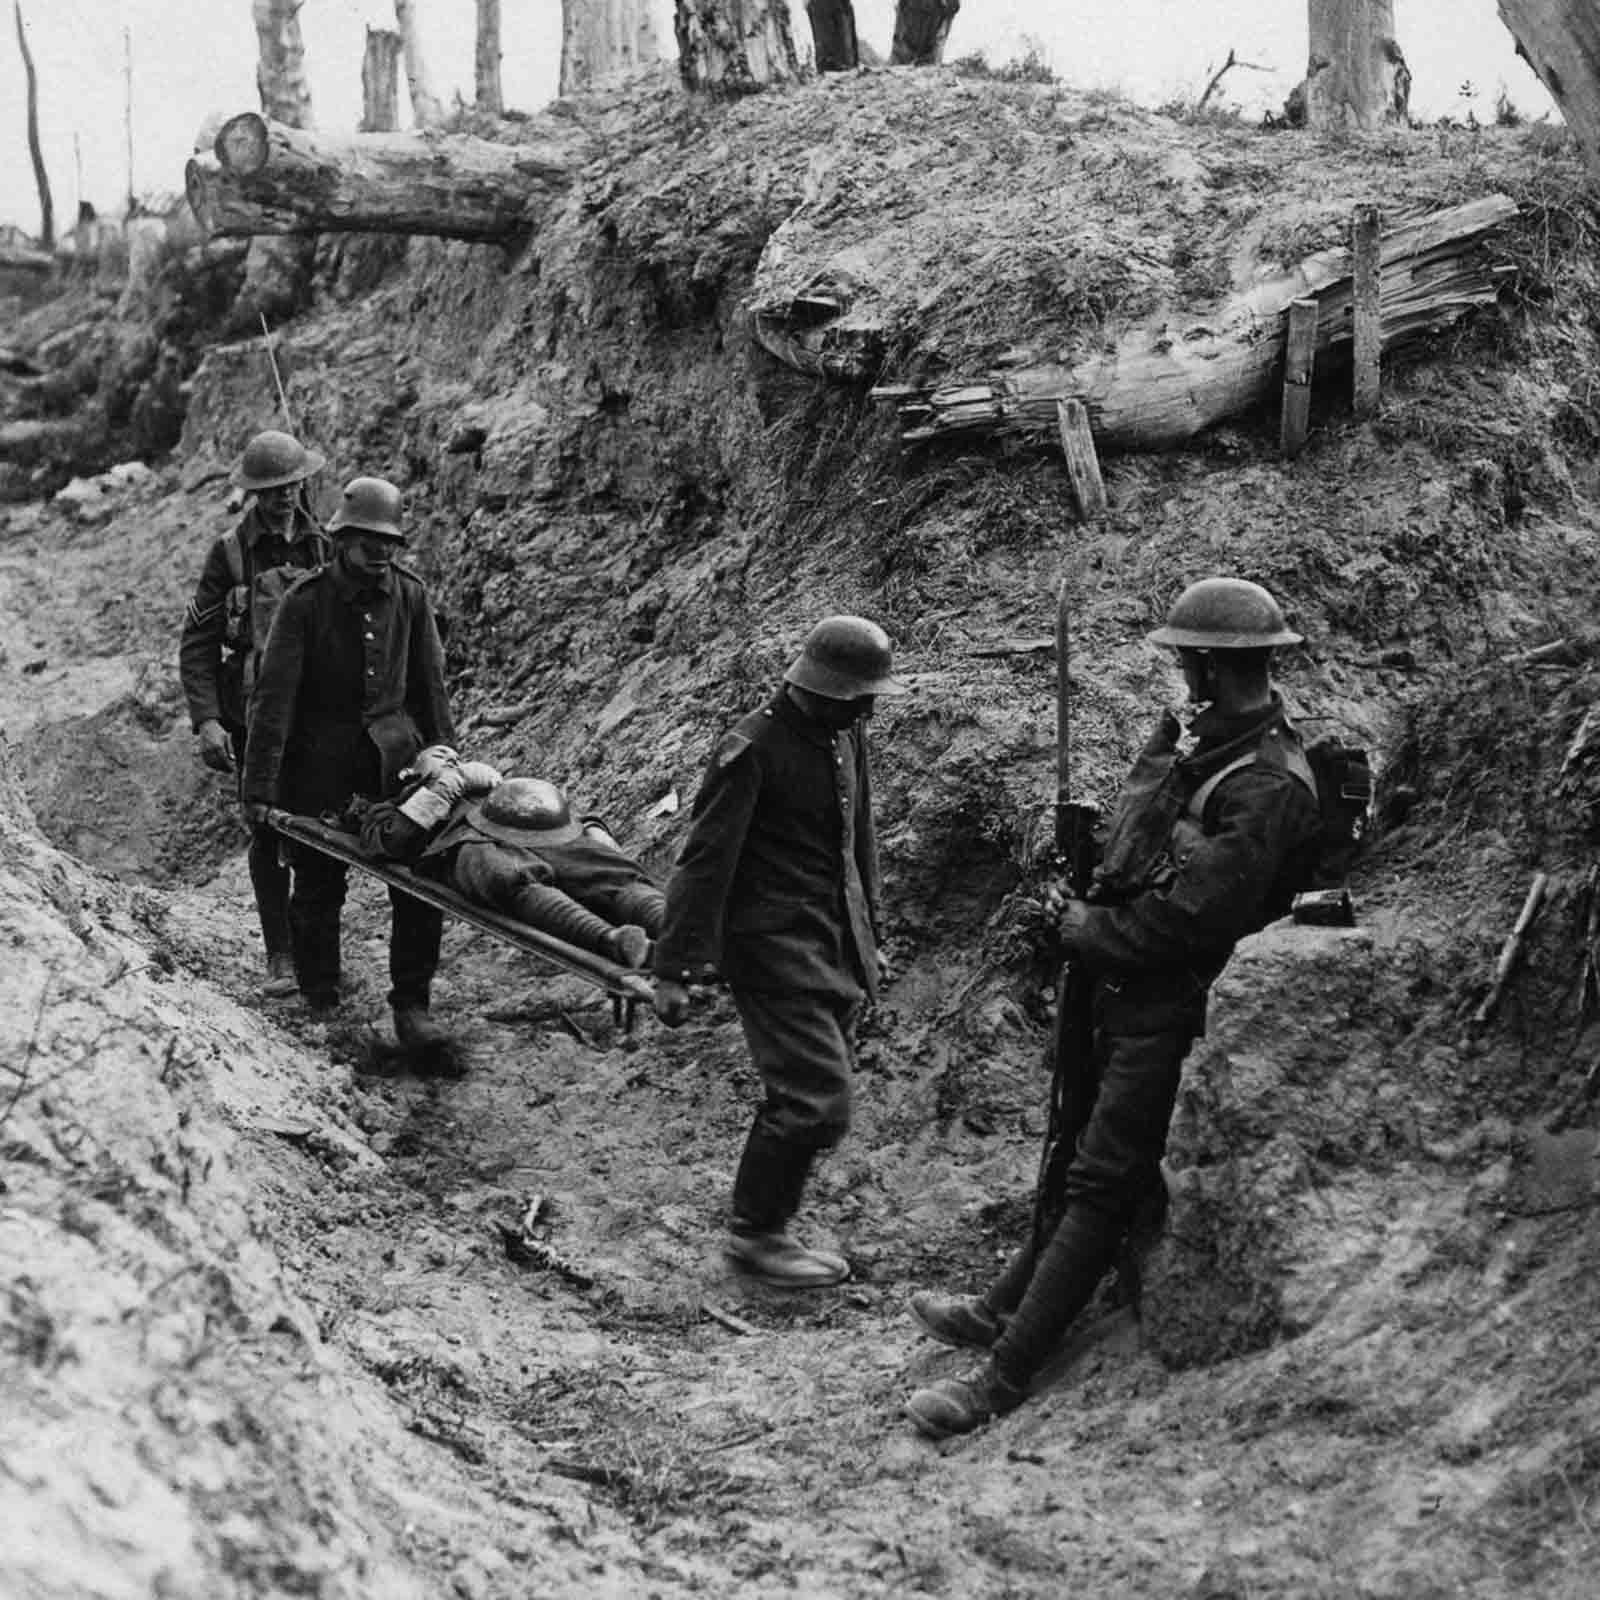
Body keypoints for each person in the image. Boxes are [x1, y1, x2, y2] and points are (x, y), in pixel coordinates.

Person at [903, 577, 1324, 1438]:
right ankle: (1000, 1306)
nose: (1177, 681)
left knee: (1102, 1181)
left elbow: (1188, 919)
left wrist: (1087, 927)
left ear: (1208, 668)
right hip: (1117, 989)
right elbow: (1140, 855)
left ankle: (1005, 1373)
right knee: (1071, 1148)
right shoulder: (1197, 752)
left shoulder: (1267, 783)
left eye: (1184, 666)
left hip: (1169, 1004)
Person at [653, 615, 908, 1289]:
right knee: (815, 1103)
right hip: (770, 950)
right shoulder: (753, 746)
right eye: (861, 694)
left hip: (831, 940)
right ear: (825, 689)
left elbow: (860, 843)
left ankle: (767, 1225)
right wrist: (675, 967)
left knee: (809, 1093)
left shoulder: (843, 733)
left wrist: (870, 937)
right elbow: (706, 862)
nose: (871, 705)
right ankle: (756, 1236)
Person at [240, 476, 456, 1057]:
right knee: (316, 887)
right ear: (342, 540)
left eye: (389, 544)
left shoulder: (410, 596)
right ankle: (322, 1000)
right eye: (369, 544)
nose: (381, 555)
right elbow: (273, 701)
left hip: (397, 767)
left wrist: (447, 766)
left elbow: (430, 689)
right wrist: (259, 791)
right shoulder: (305, 603)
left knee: (421, 882)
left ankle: (412, 1005)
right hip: (320, 769)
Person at [179, 428, 327, 997]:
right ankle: (280, 955)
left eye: (291, 486)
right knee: (265, 827)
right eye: (271, 490)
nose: (283, 498)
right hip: (252, 711)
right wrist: (208, 719)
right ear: (253, 494)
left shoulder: (325, 544)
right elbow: (197, 640)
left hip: (315, 711)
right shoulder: (230, 552)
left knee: (317, 825)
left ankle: (317, 950)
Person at [352, 751, 665, 968]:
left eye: (455, 758)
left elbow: (545, 808)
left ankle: (679, 928)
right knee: (509, 877)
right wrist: (446, 784)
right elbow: (390, 842)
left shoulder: (488, 788)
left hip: (538, 834)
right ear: (413, 773)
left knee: (606, 870)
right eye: (441, 757)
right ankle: (613, 940)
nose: (452, 760)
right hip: (462, 843)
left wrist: (592, 829)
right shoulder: (397, 806)